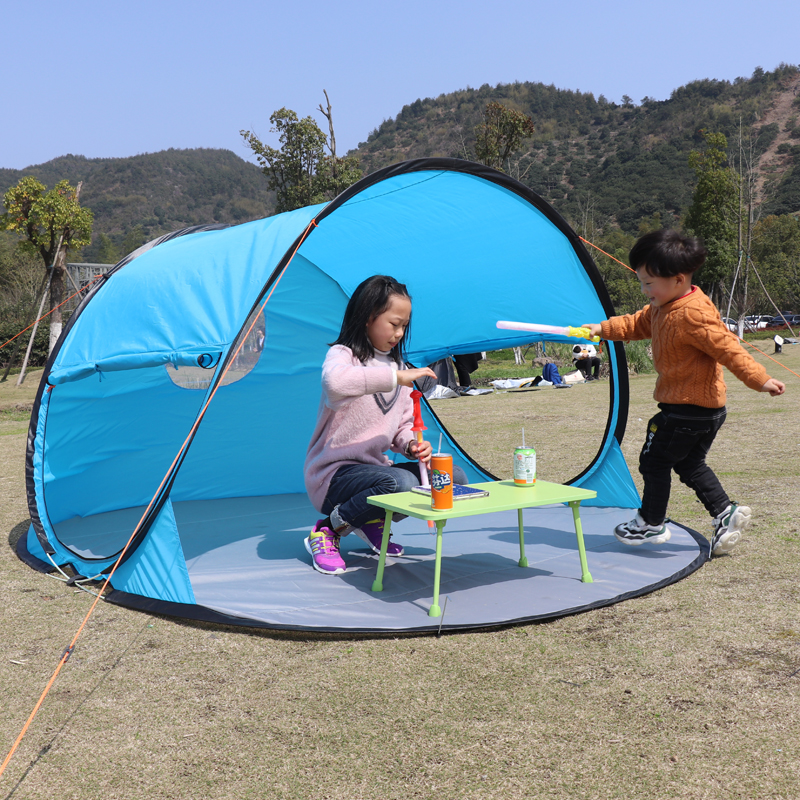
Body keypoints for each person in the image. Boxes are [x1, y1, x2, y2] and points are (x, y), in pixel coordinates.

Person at [582, 229, 785, 555]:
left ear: (678, 279)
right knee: (689, 464)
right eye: (641, 281)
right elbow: (635, 325)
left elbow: (728, 348)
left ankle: (650, 523)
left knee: (654, 461)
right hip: (698, 409)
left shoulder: (692, 313)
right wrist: (602, 329)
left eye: (649, 282)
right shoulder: (664, 305)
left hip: (688, 409)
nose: (644, 289)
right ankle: (725, 513)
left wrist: (759, 379)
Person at [304, 275, 468, 574]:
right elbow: (334, 383)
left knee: (451, 477)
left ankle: (369, 520)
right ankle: (328, 530)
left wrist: (411, 444)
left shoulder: (399, 366)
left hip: (374, 474)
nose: (399, 332)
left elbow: (401, 427)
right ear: (368, 317)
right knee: (399, 483)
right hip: (333, 476)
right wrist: (395, 378)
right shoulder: (344, 355)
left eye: (404, 325)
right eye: (394, 323)